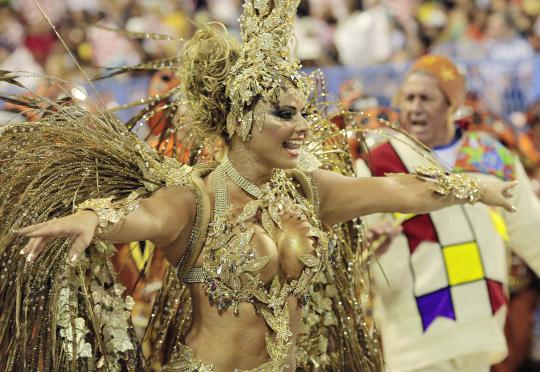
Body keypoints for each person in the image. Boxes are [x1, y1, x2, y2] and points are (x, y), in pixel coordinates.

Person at [0, 4, 516, 371]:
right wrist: (92, 218)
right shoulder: (194, 199)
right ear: (240, 118)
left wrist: (476, 187)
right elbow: (140, 219)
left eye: (304, 112)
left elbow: (403, 191)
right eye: (284, 113)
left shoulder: (310, 190)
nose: (303, 126)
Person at [356, 55, 540, 372]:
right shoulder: (378, 161)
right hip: (414, 334)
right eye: (408, 98)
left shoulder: (491, 155)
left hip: (480, 324)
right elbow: (358, 244)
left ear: (451, 103)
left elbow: (533, 233)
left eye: (425, 98)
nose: (414, 107)